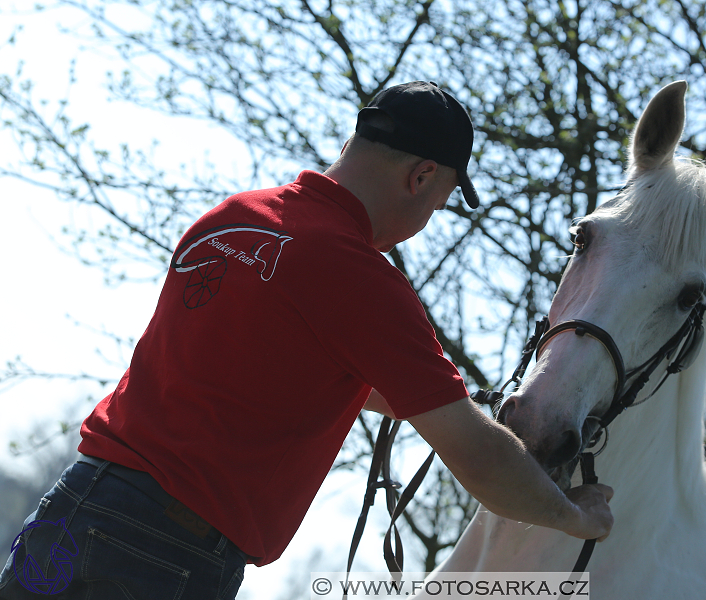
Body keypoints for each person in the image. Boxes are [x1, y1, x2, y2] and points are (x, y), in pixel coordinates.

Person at [0, 81, 613, 599]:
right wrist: (572, 515)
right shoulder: (358, 277)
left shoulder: (228, 219)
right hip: (165, 552)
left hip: (73, 508)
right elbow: (477, 459)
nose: (428, 222)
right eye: (443, 201)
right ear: (423, 176)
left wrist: (429, 395)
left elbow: (273, 365)